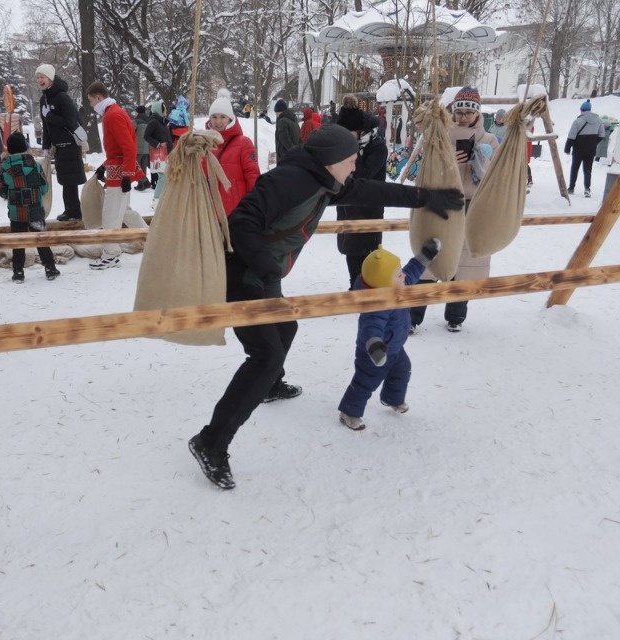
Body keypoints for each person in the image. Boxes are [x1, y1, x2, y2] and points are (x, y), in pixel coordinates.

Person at [186, 124, 464, 490]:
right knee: (265, 355)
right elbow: (242, 222)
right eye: (351, 160)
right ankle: (211, 441)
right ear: (332, 160)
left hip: (260, 275)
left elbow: (368, 189)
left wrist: (425, 197)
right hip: (242, 276)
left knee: (285, 329)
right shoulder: (289, 181)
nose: (354, 167)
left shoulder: (322, 178)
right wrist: (268, 270)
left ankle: (268, 385)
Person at [410, 86, 499, 333]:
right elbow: (426, 166)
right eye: (459, 112)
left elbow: (494, 178)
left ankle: (456, 317)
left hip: (472, 206)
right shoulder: (442, 134)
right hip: (441, 204)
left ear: (477, 113)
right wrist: (448, 158)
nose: (463, 117)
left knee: (465, 264)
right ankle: (412, 317)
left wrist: (481, 161)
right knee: (430, 258)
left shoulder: (489, 139)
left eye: (468, 112)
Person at [337, 239, 441, 431]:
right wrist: (376, 348)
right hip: (375, 354)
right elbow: (372, 328)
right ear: (384, 283)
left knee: (402, 371)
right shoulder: (376, 304)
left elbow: (411, 270)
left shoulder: (398, 285)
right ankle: (349, 412)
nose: (403, 275)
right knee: (365, 382)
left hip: (395, 348)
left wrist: (426, 255)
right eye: (398, 274)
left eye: (400, 271)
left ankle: (391, 398)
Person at [335, 102, 389, 289]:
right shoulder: (349, 146)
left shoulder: (377, 147)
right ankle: (355, 286)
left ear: (359, 131)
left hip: (369, 208)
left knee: (367, 252)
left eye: (347, 133)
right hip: (348, 206)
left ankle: (367, 289)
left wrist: (350, 153)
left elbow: (365, 173)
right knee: (350, 249)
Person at [86, 81, 139, 270]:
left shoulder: (112, 115)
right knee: (124, 212)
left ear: (99, 98)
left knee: (110, 214)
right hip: (117, 168)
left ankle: (110, 254)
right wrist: (104, 166)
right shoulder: (114, 112)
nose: (91, 105)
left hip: (118, 172)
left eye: (91, 101)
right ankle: (151, 239)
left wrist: (125, 175)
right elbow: (119, 148)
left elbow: (128, 147)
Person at [0, 131, 60, 283]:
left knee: (18, 241)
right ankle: (50, 268)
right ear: (26, 148)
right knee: (41, 239)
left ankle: (18, 271)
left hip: (16, 212)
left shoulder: (4, 167)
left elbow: (2, 191)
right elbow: (44, 188)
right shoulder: (35, 165)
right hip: (34, 210)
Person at [36, 63, 87, 221]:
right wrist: (45, 146)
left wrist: (50, 116)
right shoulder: (43, 99)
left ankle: (74, 211)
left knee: (70, 179)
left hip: (69, 144)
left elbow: (71, 120)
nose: (39, 80)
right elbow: (46, 126)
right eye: (37, 77)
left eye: (42, 77)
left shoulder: (62, 97)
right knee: (65, 179)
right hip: (59, 146)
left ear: (50, 78)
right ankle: (70, 210)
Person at [206, 89, 260, 216]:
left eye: (223, 117)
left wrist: (252, 209)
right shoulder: (203, 144)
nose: (218, 122)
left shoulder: (244, 144)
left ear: (230, 119)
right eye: (214, 117)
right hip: (208, 213)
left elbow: (253, 178)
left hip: (235, 212)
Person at [564, 100, 606, 198]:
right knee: (587, 170)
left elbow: (571, 136)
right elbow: (602, 134)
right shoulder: (598, 120)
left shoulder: (578, 121)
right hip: (590, 150)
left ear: (582, 110)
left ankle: (571, 188)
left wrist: (567, 148)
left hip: (578, 149)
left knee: (575, 169)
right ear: (590, 109)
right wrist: (594, 142)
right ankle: (587, 189)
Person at [143, 100, 172, 192]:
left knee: (165, 176)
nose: (166, 111)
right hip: (159, 154)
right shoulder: (154, 122)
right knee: (163, 177)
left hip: (166, 152)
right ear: (159, 110)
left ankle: (161, 198)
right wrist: (157, 143)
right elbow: (146, 136)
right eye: (164, 109)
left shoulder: (162, 122)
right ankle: (156, 198)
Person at [134, 105, 153, 191]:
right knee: (143, 166)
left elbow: (131, 132)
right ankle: (142, 184)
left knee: (137, 166)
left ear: (137, 112)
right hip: (147, 147)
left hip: (138, 147)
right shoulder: (149, 121)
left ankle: (144, 182)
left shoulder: (136, 121)